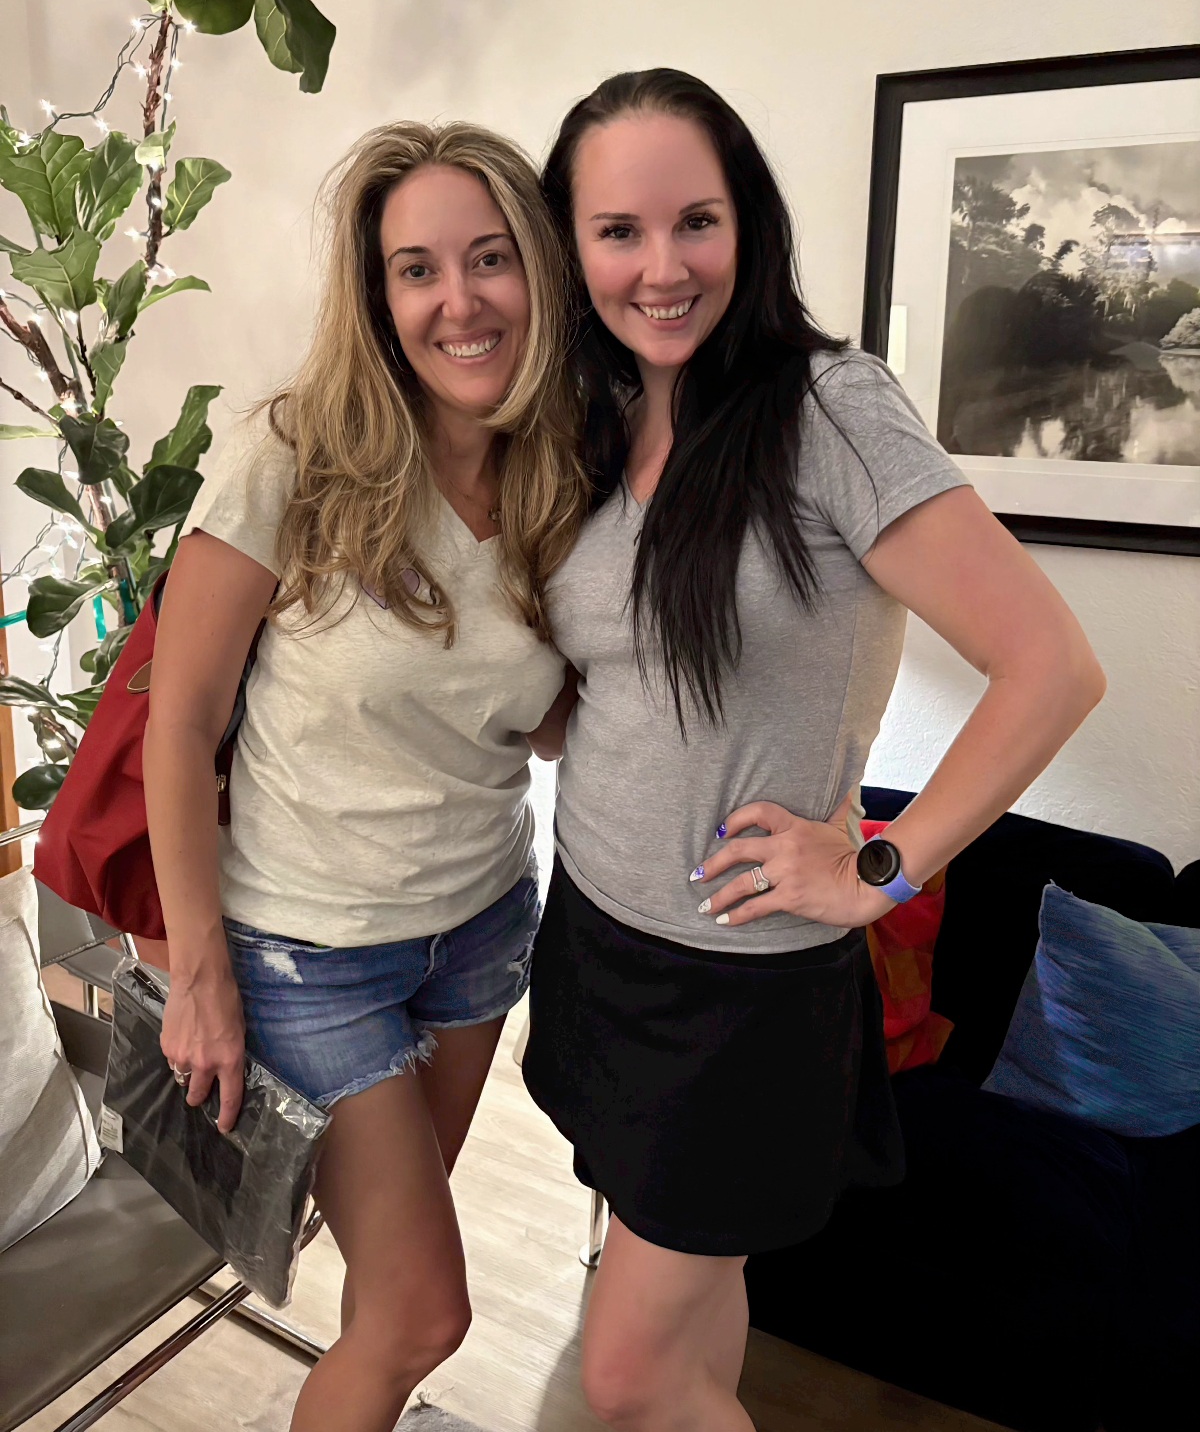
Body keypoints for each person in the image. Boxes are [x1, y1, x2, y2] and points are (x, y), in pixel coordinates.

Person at [522, 69, 1106, 1432]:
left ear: (749, 222)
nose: (662, 267)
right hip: (598, 935)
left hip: (735, 993)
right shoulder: (602, 423)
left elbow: (1053, 667)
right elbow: (610, 686)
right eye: (618, 231)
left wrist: (879, 868)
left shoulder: (828, 408)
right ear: (571, 250)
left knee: (625, 1380)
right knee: (693, 1325)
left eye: (695, 221)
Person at [144, 121, 587, 1432]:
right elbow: (180, 723)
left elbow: (543, 721)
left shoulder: (562, 469)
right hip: (309, 955)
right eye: (417, 269)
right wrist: (198, 975)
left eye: (491, 258)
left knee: (384, 1295)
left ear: (539, 273)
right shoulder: (294, 454)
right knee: (422, 1314)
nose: (460, 299)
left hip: (481, 929)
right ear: (378, 294)